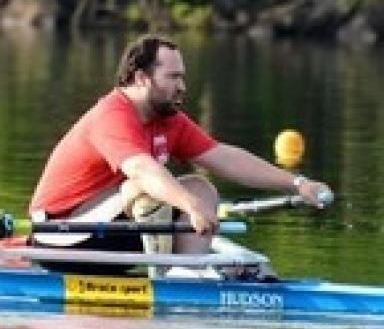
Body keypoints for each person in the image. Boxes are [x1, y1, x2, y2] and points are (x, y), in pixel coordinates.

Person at [28, 34, 331, 273]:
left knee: (201, 187)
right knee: (154, 187)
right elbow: (143, 170)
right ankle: (179, 280)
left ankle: (186, 277)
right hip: (60, 237)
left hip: (106, 231)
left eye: (182, 77)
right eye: (173, 77)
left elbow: (225, 157)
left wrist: (298, 184)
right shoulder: (113, 114)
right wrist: (191, 206)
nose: (182, 86)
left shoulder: (169, 120)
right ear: (141, 77)